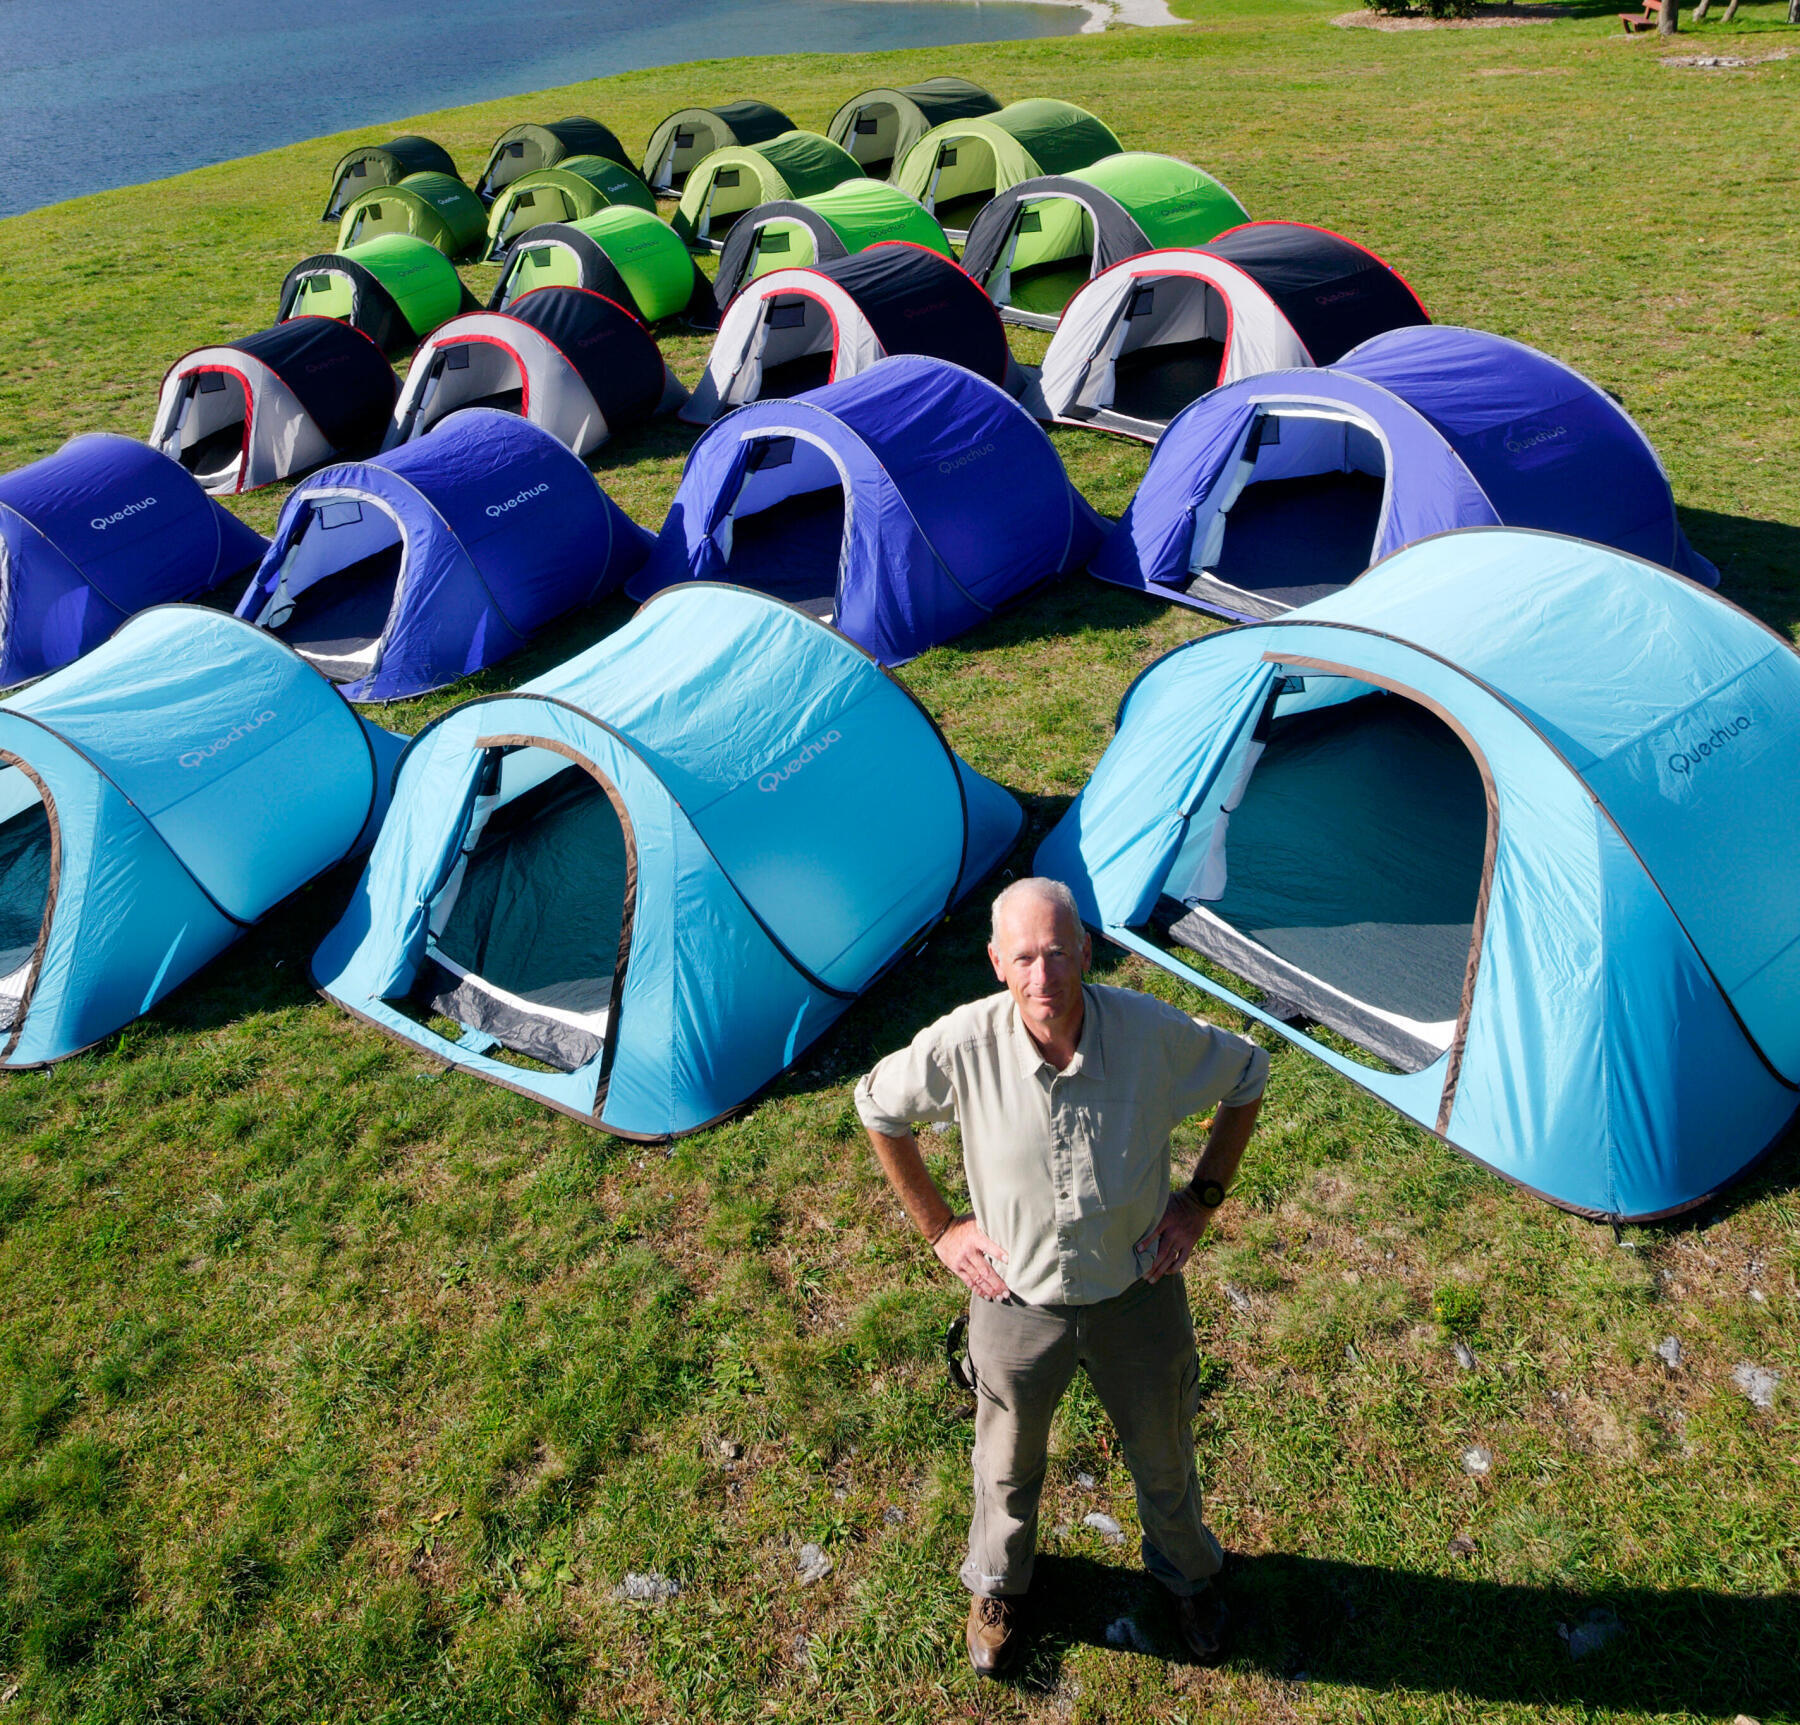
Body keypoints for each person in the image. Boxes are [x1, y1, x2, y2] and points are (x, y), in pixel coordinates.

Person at [855, 876, 1267, 1676]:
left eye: (1056, 953)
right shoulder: (962, 1045)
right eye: (1022, 959)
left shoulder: (1151, 1034)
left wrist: (1201, 1199)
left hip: (1137, 1294)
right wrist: (940, 1227)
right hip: (1016, 1305)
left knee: (1165, 1453)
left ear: (1086, 950)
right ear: (995, 964)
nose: (1042, 977)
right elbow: (878, 1105)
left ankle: (1189, 1577)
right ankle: (999, 1584)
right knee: (1004, 1463)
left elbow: (1248, 1076)